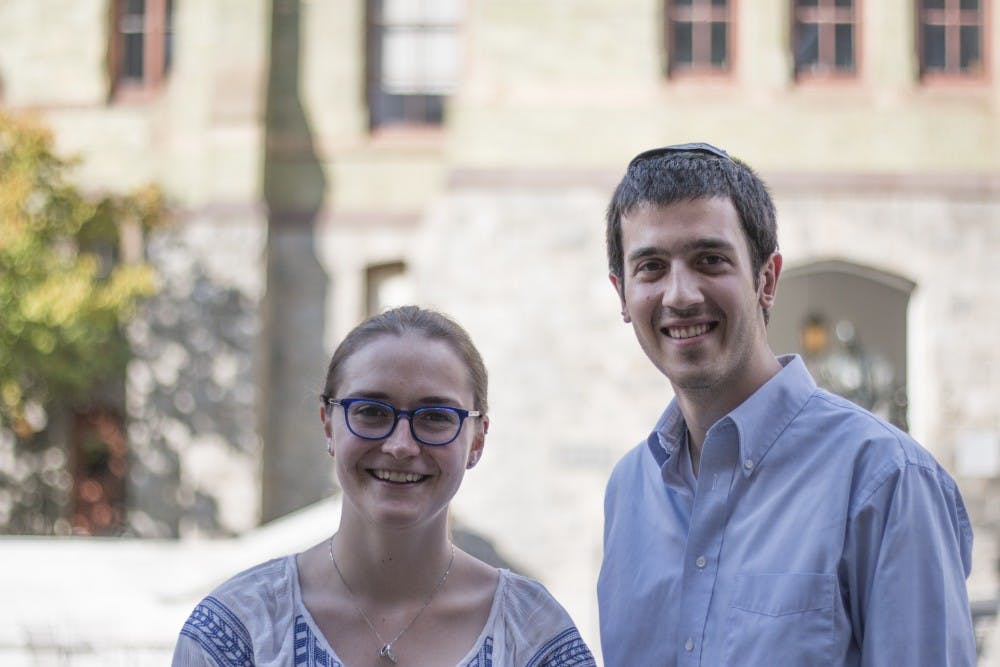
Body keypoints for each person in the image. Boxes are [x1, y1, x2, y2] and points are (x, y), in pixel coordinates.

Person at [597, 143, 976, 666]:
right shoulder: (629, 491)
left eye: (710, 260)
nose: (680, 294)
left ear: (767, 280)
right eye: (652, 267)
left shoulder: (886, 479)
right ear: (622, 294)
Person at [173, 306, 596, 666]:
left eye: (435, 416)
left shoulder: (534, 638)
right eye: (372, 411)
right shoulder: (238, 631)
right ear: (328, 425)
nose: (400, 445)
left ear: (478, 440)